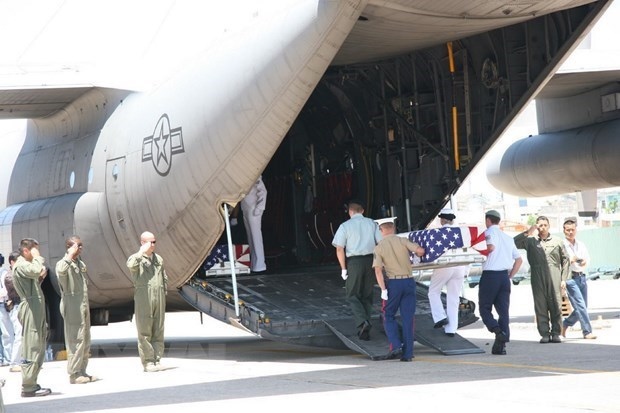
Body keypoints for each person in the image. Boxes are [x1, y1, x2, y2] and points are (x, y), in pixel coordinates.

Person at [372, 217, 425, 361]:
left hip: (394, 284)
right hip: (409, 282)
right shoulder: (403, 241)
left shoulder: (379, 247)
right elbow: (420, 250)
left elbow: (378, 270)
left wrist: (383, 289)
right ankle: (408, 354)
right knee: (408, 318)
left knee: (388, 315)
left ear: (381, 230)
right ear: (394, 228)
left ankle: (396, 345)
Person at [514, 216, 570, 344]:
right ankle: (544, 333)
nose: (542, 227)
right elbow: (514, 243)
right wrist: (528, 231)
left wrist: (563, 279)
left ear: (549, 226)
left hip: (554, 274)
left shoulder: (557, 241)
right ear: (537, 226)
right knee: (540, 305)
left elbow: (565, 260)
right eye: (540, 225)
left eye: (545, 225)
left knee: (556, 304)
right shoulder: (530, 241)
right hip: (537, 275)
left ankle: (556, 333)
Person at [332, 199, 381, 340]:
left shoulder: (345, 226)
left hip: (355, 262)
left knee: (352, 294)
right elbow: (380, 243)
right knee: (367, 295)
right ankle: (364, 329)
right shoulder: (372, 223)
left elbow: (339, 248)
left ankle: (362, 322)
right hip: (371, 260)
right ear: (363, 211)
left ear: (350, 212)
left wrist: (343, 268)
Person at [55, 236, 98, 384]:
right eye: (77, 246)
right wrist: (69, 255)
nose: (80, 248)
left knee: (85, 340)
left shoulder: (80, 264)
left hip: (83, 305)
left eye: (81, 246)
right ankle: (74, 374)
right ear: (69, 247)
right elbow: (60, 272)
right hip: (72, 306)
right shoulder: (63, 263)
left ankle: (82, 371)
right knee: (75, 340)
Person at [12, 238, 52, 397]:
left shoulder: (26, 265)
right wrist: (38, 258)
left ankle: (32, 383)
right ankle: (28, 386)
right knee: (32, 345)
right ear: (26, 251)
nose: (38, 253)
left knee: (38, 343)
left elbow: (35, 276)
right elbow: (36, 270)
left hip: (35, 307)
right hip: (30, 308)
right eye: (34, 250)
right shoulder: (22, 264)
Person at [479, 210, 522, 355]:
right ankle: (501, 345)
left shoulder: (488, 232)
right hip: (504, 277)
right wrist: (510, 275)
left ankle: (496, 330)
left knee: (484, 308)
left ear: (488, 220)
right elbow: (519, 259)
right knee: (503, 311)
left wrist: (478, 252)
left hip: (490, 275)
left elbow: (490, 247)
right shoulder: (508, 238)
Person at [126, 231, 168, 372]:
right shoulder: (136, 259)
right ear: (143, 243)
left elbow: (164, 277)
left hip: (159, 297)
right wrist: (140, 252)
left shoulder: (158, 259)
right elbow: (130, 265)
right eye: (150, 242)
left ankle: (157, 359)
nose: (153, 245)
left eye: (154, 242)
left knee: (158, 329)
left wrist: (164, 292)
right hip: (144, 298)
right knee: (145, 331)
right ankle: (148, 362)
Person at [428, 208, 469, 337]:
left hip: (444, 265)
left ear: (443, 219)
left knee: (433, 291)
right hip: (460, 266)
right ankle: (451, 329)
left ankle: (440, 317)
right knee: (453, 298)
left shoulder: (437, 233)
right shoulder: (461, 232)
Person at [561, 217, 597, 340]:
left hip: (581, 277)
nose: (570, 232)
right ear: (564, 231)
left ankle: (565, 324)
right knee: (580, 306)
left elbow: (587, 258)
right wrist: (572, 260)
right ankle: (587, 331)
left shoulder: (581, 244)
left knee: (582, 307)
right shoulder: (562, 245)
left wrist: (583, 262)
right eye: (568, 230)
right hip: (570, 278)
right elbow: (562, 263)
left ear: (576, 230)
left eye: (572, 229)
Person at [240, 176, 267, 274]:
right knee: (250, 238)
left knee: (256, 237)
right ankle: (254, 264)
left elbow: (263, 191)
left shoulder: (255, 175)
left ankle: (260, 264)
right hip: (246, 207)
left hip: (253, 207)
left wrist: (260, 207)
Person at [3, 252, 23, 372]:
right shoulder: (10, 276)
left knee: (23, 335)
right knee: (19, 334)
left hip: (21, 306)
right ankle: (14, 362)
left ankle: (22, 360)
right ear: (12, 262)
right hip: (16, 306)